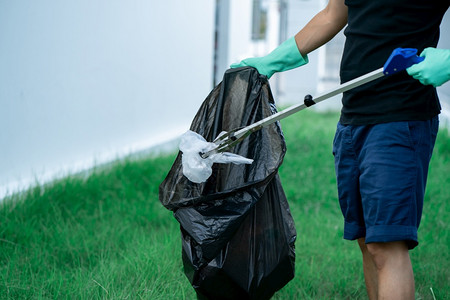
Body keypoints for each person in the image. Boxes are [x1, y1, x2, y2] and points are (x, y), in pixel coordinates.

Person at [231, 1, 450, 299]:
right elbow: (333, 15)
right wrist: (273, 60)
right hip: (353, 116)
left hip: (401, 116)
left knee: (386, 244)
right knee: (368, 241)